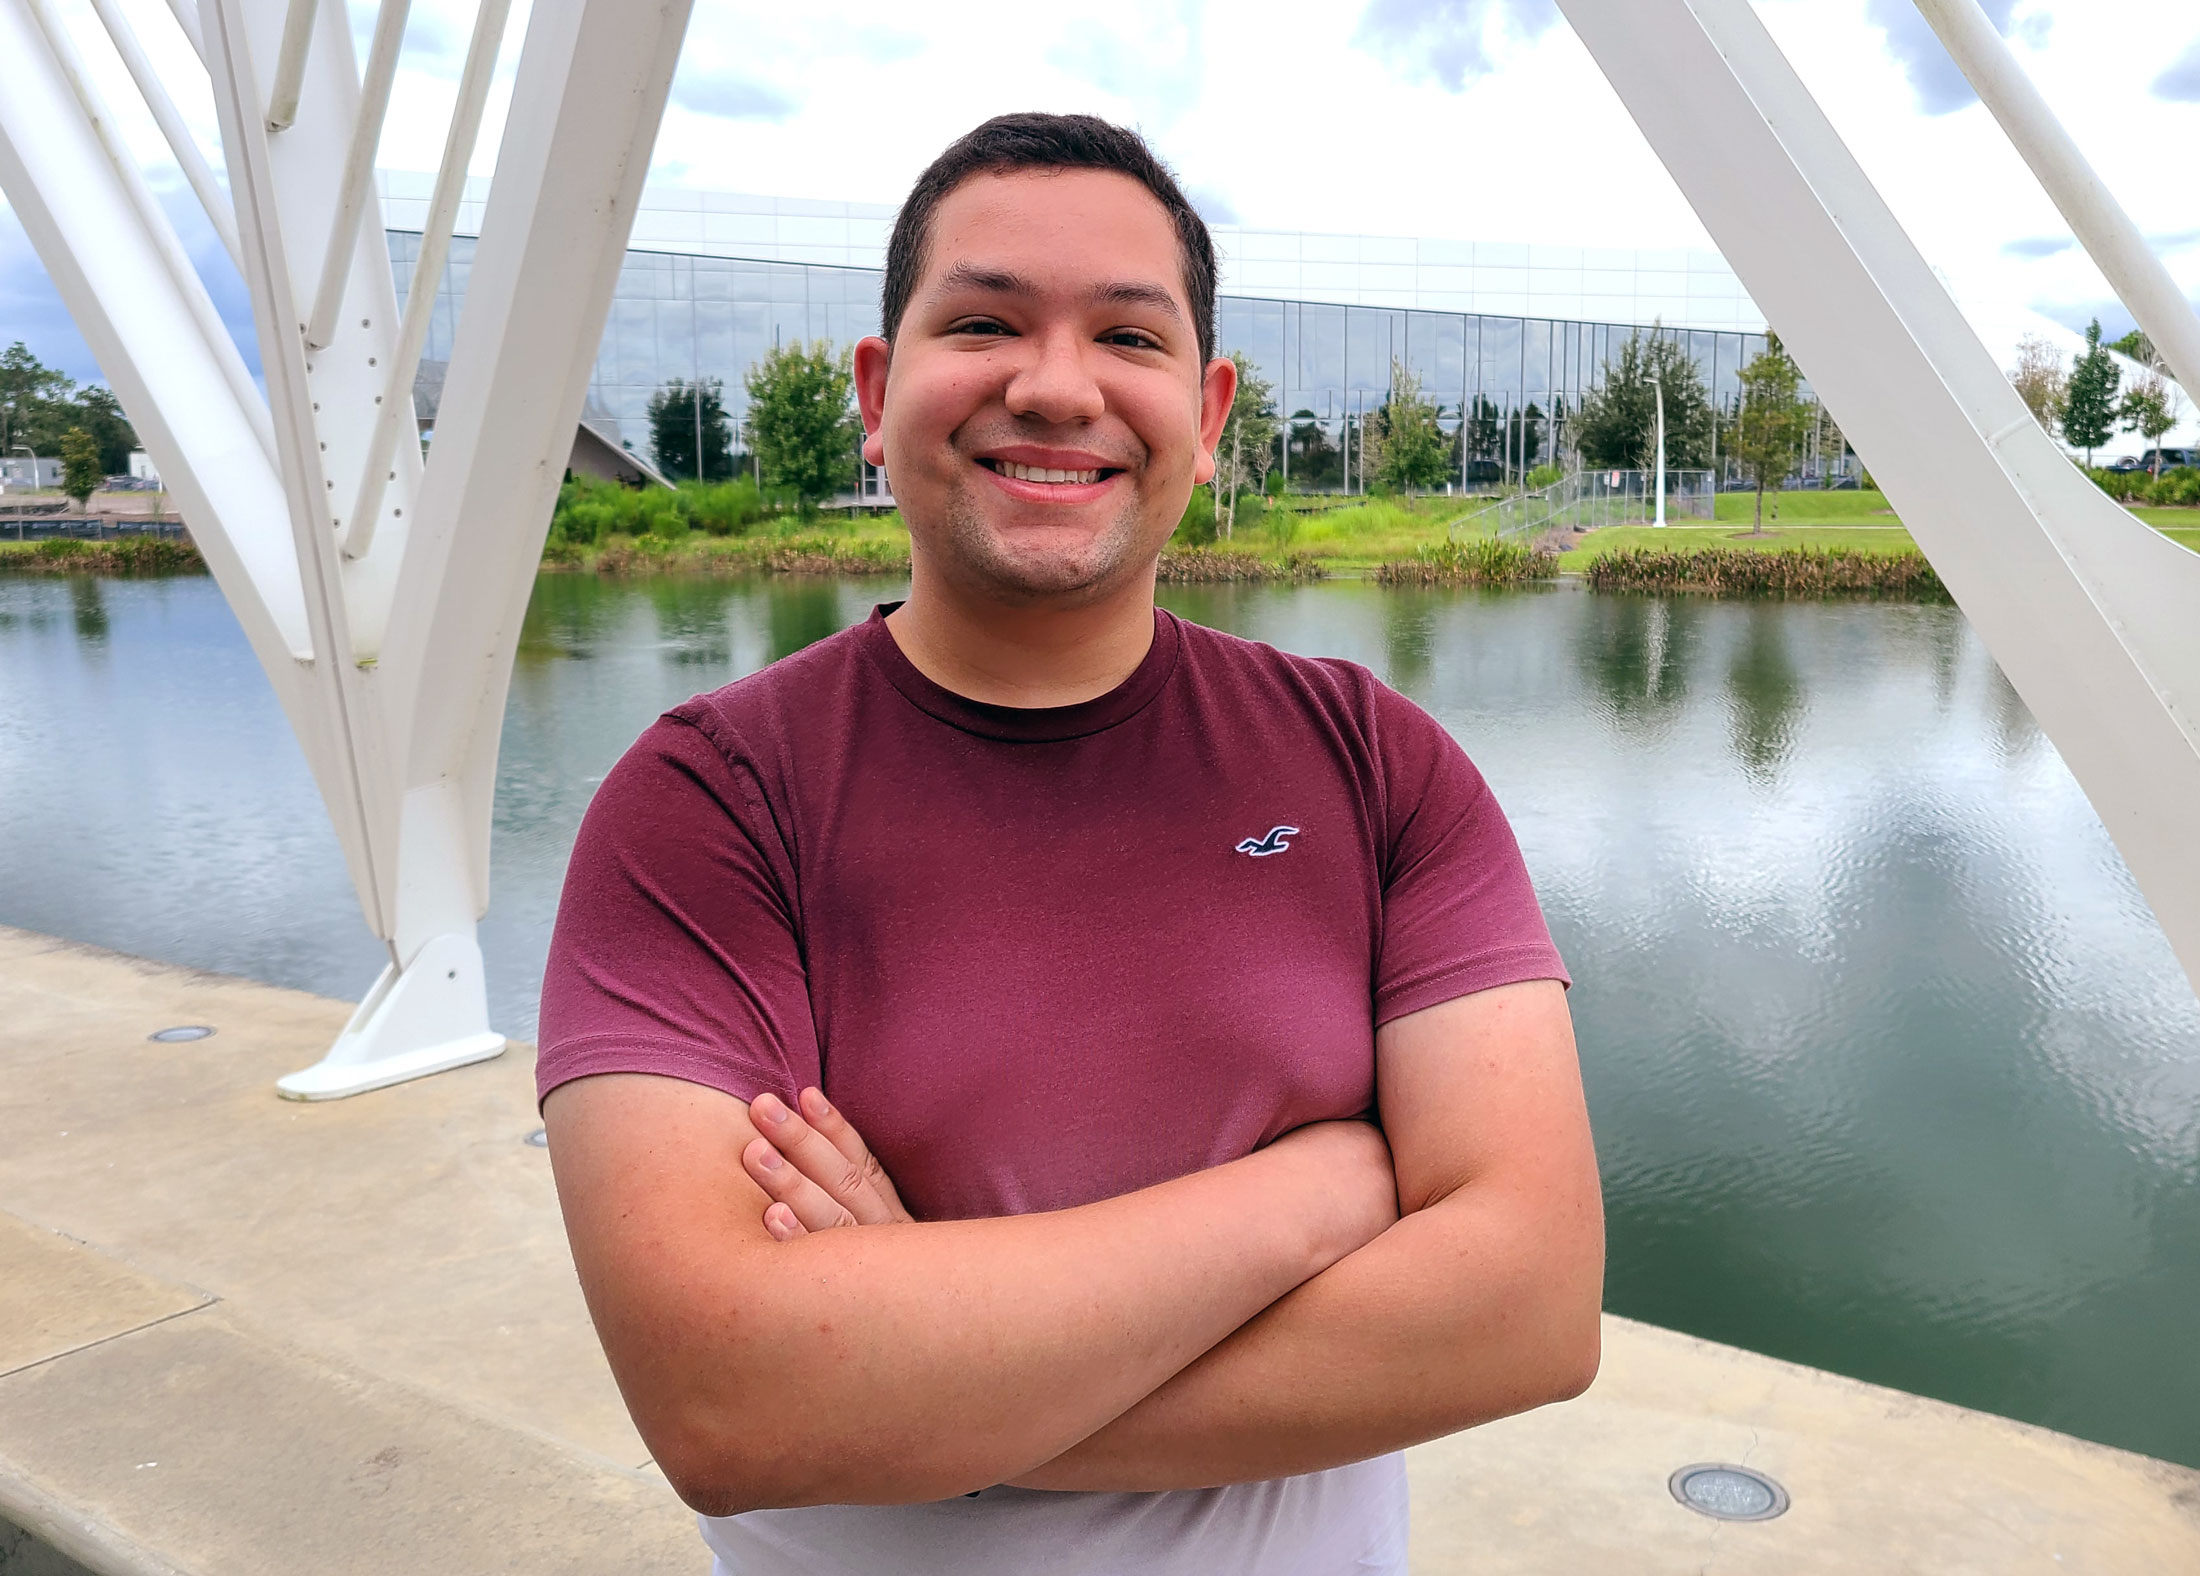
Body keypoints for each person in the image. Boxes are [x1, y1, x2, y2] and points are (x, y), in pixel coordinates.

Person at [538, 112, 1603, 1576]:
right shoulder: (709, 804)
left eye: (1129, 336)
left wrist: (917, 1369)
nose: (1055, 387)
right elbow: (729, 1403)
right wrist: (1323, 1190)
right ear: (879, 384)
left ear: (1210, 410)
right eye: (983, 321)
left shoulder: (1377, 764)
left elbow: (1529, 1309)